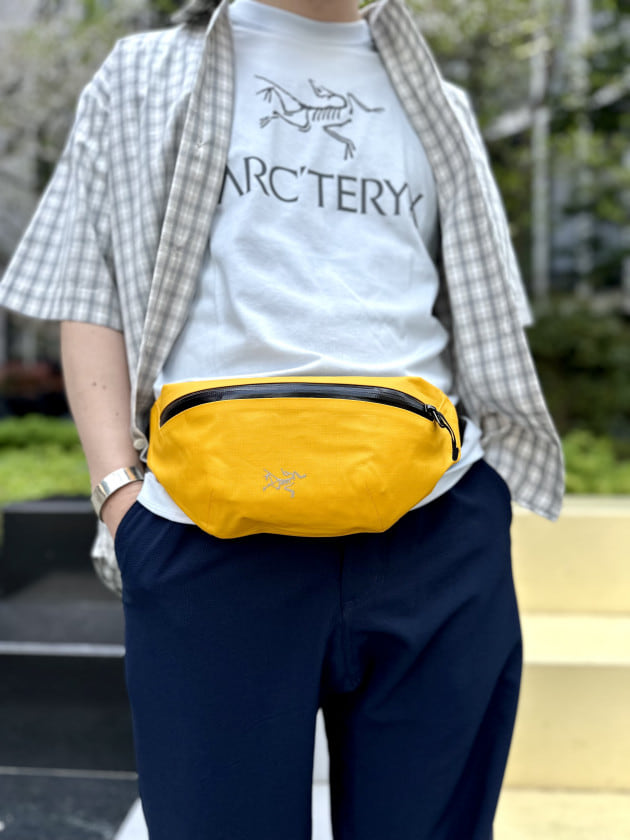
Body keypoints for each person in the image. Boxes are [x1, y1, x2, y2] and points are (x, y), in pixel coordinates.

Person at [0, 0, 564, 837]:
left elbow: (479, 314)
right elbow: (89, 291)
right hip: (209, 538)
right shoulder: (141, 74)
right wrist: (120, 498)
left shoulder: (438, 100)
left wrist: (486, 502)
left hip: (437, 528)